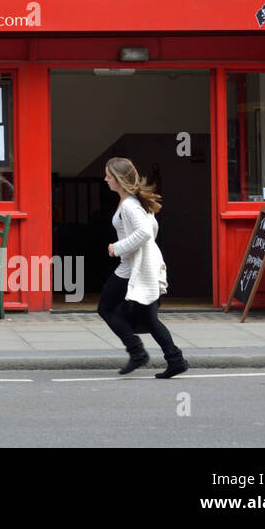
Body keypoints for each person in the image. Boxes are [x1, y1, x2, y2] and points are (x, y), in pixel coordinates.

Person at [98, 157, 188, 378]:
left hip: (132, 269)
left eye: (109, 176)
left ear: (119, 179)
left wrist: (117, 247)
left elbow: (146, 232)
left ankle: (137, 352)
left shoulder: (129, 205)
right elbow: (152, 229)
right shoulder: (132, 201)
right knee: (149, 318)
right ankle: (174, 359)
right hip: (138, 266)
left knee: (106, 308)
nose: (106, 179)